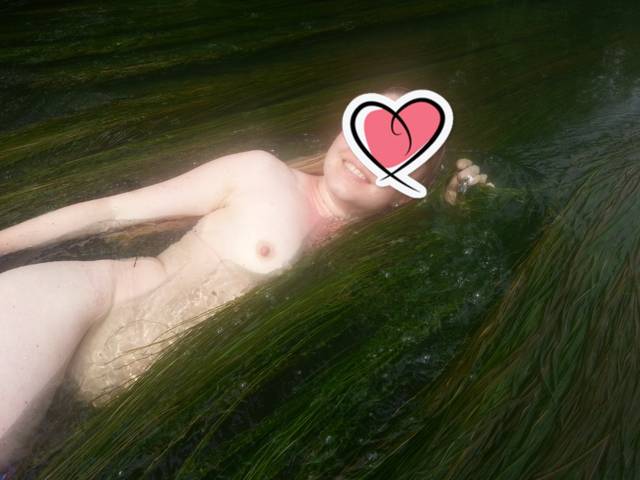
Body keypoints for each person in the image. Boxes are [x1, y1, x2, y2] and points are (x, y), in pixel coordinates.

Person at [0, 90, 491, 468]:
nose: (367, 153)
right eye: (366, 125)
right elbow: (111, 211)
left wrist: (455, 208)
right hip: (96, 302)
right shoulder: (261, 173)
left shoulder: (380, 258)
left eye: (398, 156)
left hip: (155, 406)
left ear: (407, 192)